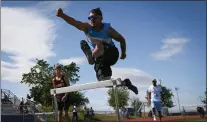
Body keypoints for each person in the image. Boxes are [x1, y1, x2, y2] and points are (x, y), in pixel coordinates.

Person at [56, 7, 138, 95]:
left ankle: (91, 56)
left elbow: (122, 39)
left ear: (101, 18)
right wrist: (62, 15)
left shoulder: (108, 30)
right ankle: (126, 83)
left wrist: (123, 53)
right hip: (101, 59)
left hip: (111, 53)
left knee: (99, 43)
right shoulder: (87, 28)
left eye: (94, 17)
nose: (92, 19)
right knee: (105, 82)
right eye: (90, 18)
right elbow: (75, 23)